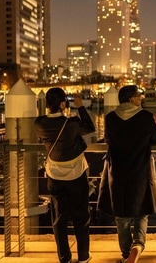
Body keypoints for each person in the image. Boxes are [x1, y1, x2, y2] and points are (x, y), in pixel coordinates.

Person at [97, 85, 156, 263]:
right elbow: (155, 139)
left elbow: (108, 140)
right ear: (131, 99)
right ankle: (138, 245)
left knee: (121, 215)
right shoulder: (145, 117)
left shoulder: (110, 118)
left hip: (117, 171)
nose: (140, 99)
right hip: (140, 171)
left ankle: (126, 253)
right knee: (141, 212)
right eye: (138, 96)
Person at [35, 87, 95, 263]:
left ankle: (64, 257)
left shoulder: (39, 123)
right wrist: (80, 107)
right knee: (81, 216)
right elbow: (90, 127)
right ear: (63, 103)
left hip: (54, 175)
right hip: (76, 173)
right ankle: (83, 256)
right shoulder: (72, 123)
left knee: (59, 218)